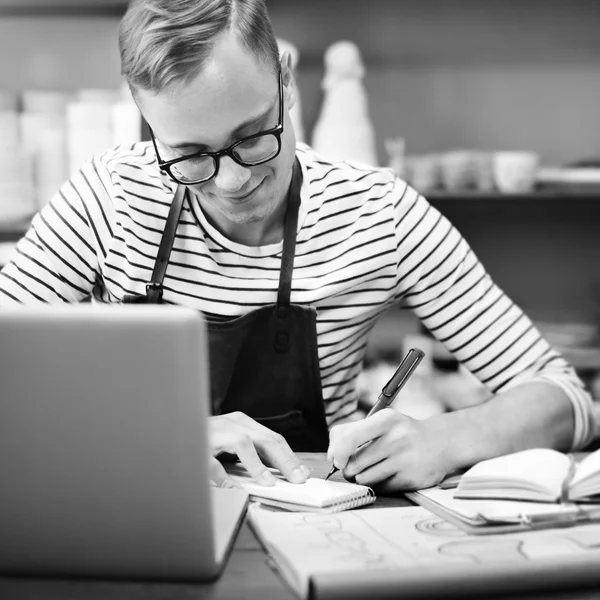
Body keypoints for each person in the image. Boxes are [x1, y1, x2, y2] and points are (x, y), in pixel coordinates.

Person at [0, 0, 595, 492]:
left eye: (252, 136)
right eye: (189, 155)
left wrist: (444, 439)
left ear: (285, 83)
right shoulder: (112, 195)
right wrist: (166, 437)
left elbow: (568, 397)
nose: (233, 181)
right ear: (144, 118)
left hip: (319, 528)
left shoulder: (378, 213)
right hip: (133, 516)